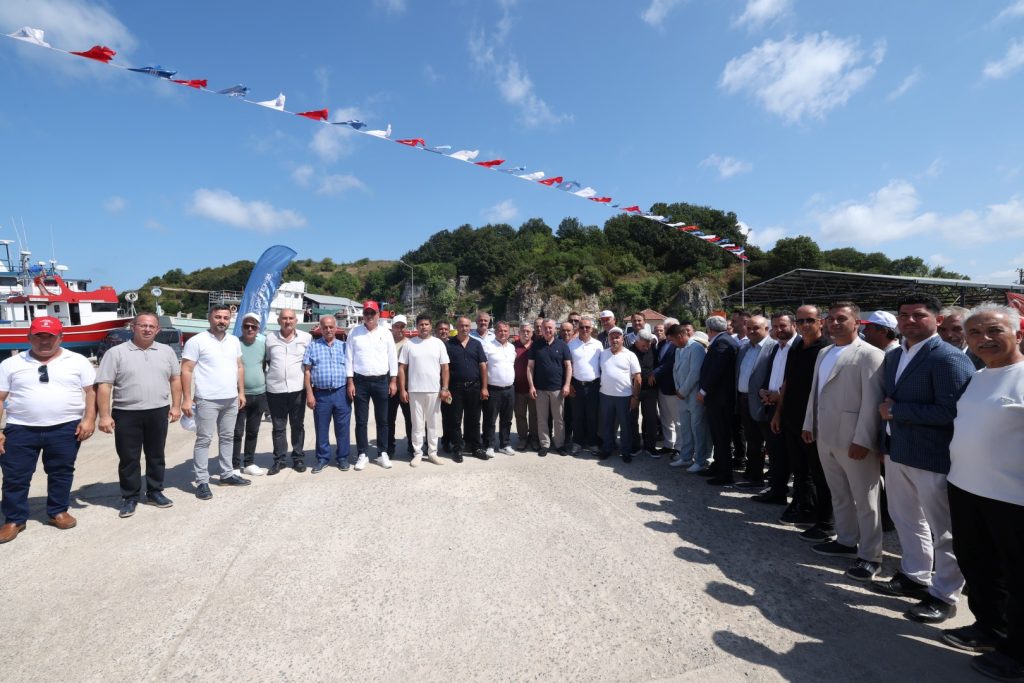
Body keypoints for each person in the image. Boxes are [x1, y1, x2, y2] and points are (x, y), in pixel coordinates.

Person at [872, 293, 974, 624]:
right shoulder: (895, 356)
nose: (910, 321)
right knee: (905, 517)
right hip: (899, 450)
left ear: (937, 320)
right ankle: (915, 575)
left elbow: (953, 411)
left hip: (933, 456)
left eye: (918, 315)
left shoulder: (947, 357)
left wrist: (897, 411)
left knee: (944, 530)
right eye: (904, 315)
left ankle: (944, 594)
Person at [942, 303, 1024, 681]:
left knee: (1017, 576)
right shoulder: (978, 375)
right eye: (975, 333)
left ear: (1018, 333)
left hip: (1013, 499)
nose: (983, 339)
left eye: (993, 331)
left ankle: (1017, 654)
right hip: (967, 488)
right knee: (978, 565)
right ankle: (988, 628)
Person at [802, 302, 885, 581]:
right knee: (839, 493)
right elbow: (815, 392)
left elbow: (872, 400)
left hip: (854, 440)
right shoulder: (825, 352)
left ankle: (871, 555)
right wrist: (808, 424)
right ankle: (846, 540)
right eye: (831, 318)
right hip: (825, 435)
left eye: (842, 319)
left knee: (866, 499)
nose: (835, 323)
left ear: (856, 323)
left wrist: (863, 439)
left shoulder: (870, 355)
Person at [0, 317, 96, 542]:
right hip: (21, 429)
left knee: (61, 472)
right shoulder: (10, 364)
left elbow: (91, 392)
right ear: (29, 337)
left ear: (60, 337)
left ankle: (57, 511)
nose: (44, 341)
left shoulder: (78, 361)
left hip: (65, 428)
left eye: (50, 336)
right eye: (39, 336)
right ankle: (14, 519)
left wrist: (89, 419)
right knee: (15, 476)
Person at [96, 312, 181, 518]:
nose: (147, 329)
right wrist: (105, 416)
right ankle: (130, 496)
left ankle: (154, 492)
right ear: (133, 327)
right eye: (142, 325)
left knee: (156, 455)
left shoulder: (167, 352)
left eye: (152, 326)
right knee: (128, 457)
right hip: (127, 412)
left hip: (158, 410)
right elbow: (105, 385)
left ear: (157, 330)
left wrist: (176, 406)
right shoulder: (116, 353)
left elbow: (175, 379)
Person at [771, 305, 834, 541]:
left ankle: (824, 518)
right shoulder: (797, 346)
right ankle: (803, 505)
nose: (805, 325)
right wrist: (778, 413)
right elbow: (787, 383)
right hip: (791, 417)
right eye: (800, 321)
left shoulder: (826, 349)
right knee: (799, 468)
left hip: (812, 421)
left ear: (821, 321)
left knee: (818, 472)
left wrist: (813, 422)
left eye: (810, 320)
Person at [181, 305, 250, 500]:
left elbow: (239, 367)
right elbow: (186, 370)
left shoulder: (234, 341)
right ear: (210, 318)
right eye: (218, 317)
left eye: (226, 318)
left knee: (228, 437)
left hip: (231, 398)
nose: (222, 321)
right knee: (204, 440)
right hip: (207, 399)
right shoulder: (196, 341)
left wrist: (241, 392)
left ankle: (227, 474)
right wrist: (187, 399)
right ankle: (202, 481)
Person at [346, 300, 398, 471]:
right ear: (363, 315)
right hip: (360, 382)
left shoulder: (386, 333)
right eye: (366, 313)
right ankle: (363, 453)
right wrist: (350, 382)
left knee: (383, 420)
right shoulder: (354, 332)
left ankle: (382, 452)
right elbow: (349, 358)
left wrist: (393, 380)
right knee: (361, 421)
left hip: (382, 381)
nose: (369, 316)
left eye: (372, 313)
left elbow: (392, 358)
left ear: (378, 315)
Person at [757, 311, 800, 517]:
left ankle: (796, 500)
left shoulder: (799, 347)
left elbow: (797, 380)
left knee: (792, 455)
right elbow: (771, 375)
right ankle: (777, 491)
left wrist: (779, 395)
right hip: (771, 405)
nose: (778, 330)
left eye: (783, 326)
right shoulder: (777, 348)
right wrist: (764, 391)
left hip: (789, 408)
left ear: (794, 325)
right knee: (775, 452)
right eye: (775, 326)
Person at [264, 308, 312, 475]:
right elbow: (267, 360)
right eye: (284, 318)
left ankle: (298, 458)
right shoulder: (269, 339)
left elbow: (309, 364)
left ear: (296, 321)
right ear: (279, 321)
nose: (288, 321)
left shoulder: (306, 338)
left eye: (291, 318)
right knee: (278, 427)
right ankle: (279, 460)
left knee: (297, 425)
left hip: (298, 388)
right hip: (275, 389)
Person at [398, 314, 450, 466]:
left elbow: (445, 367)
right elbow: (402, 368)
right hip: (414, 390)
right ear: (417, 326)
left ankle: (432, 452)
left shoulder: (438, 343)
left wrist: (445, 388)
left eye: (426, 324)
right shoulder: (409, 344)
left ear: (430, 326)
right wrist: (403, 389)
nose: (424, 327)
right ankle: (418, 453)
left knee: (433, 423)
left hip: (434, 390)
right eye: (421, 324)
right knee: (417, 424)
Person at [733, 315, 777, 492]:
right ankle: (754, 475)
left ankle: (772, 480)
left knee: (769, 443)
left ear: (766, 329)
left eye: (756, 328)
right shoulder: (744, 348)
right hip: (744, 400)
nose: (751, 331)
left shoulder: (773, 348)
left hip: (763, 403)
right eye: (749, 327)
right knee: (752, 441)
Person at [304, 315, 352, 472]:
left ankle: (343, 457)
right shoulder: (312, 346)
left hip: (341, 393)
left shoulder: (345, 347)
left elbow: (351, 369)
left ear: (336, 328)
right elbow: (307, 372)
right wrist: (309, 394)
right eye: (325, 327)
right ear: (320, 328)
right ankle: (323, 458)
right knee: (321, 428)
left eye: (331, 327)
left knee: (342, 428)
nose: (328, 330)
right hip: (321, 395)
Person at [698, 315, 740, 485]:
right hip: (720, 398)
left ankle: (725, 474)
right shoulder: (726, 340)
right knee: (718, 436)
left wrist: (703, 390)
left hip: (720, 399)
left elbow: (716, 371)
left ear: (710, 329)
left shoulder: (722, 342)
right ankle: (718, 466)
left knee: (721, 436)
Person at [445, 316, 488, 462]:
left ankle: (475, 447)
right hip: (455, 388)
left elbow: (483, 366)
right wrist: (444, 388)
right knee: (455, 420)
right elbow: (444, 368)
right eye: (462, 325)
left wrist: (484, 387)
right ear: (457, 327)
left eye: (467, 326)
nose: (464, 328)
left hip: (474, 387)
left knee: (474, 420)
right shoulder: (449, 345)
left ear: (471, 327)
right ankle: (457, 448)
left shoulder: (476, 344)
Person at [528, 318, 572, 456]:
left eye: (550, 328)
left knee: (559, 419)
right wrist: (531, 386)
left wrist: (567, 385)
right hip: (540, 389)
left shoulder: (562, 345)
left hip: (558, 389)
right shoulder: (536, 345)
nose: (548, 330)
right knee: (542, 418)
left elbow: (568, 366)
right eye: (545, 328)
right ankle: (545, 444)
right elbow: (530, 367)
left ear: (555, 329)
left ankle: (559, 444)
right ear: (541, 329)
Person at [670, 323, 710, 472]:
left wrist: (683, 390)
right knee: (686, 427)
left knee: (697, 428)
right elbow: (675, 369)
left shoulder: (696, 348)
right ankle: (686, 457)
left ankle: (700, 460)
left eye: (673, 340)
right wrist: (677, 388)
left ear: (680, 336)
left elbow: (695, 373)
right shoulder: (679, 349)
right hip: (681, 395)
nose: (672, 343)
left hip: (693, 395)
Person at [232, 312, 268, 477]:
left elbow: (264, 365)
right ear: (242, 327)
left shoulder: (262, 345)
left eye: (253, 327)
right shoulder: (234, 344)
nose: (250, 329)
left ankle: (249, 463)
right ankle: (233, 465)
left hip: (259, 394)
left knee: (253, 431)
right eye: (247, 326)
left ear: (258, 329)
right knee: (237, 432)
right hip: (240, 395)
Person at [597, 327, 641, 461]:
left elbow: (637, 378)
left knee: (625, 425)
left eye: (617, 337)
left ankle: (626, 451)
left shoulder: (630, 355)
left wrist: (635, 397)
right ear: (608, 339)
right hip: (605, 395)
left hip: (624, 396)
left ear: (622, 339)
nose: (614, 339)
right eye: (612, 337)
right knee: (606, 424)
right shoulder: (603, 354)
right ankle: (607, 448)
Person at [482, 321, 517, 457]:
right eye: (500, 330)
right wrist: (484, 387)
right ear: (495, 332)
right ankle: (489, 445)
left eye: (505, 331)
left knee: (507, 419)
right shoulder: (487, 346)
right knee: (490, 419)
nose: (503, 333)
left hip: (509, 389)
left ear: (509, 332)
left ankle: (505, 444)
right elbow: (483, 367)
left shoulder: (512, 348)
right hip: (493, 389)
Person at [568, 315, 602, 454]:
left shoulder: (598, 345)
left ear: (592, 328)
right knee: (577, 415)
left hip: (594, 385)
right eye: (582, 327)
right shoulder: (571, 344)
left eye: (587, 327)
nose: (584, 329)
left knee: (592, 416)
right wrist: (569, 384)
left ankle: (592, 443)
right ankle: (577, 442)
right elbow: (568, 366)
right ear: (578, 328)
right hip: (576, 385)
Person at [628, 329, 660, 458]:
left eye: (649, 344)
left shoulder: (653, 348)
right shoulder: (629, 351)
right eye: (644, 345)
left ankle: (650, 446)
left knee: (651, 418)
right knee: (632, 418)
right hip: (633, 389)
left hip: (650, 389)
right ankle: (635, 445)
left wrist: (655, 373)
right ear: (637, 341)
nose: (647, 347)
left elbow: (659, 364)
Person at [387, 315, 412, 459]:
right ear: (392, 327)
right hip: (389, 387)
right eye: (397, 326)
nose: (400, 329)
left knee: (410, 419)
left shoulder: (409, 343)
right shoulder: (386, 342)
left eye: (403, 326)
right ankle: (390, 447)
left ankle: (411, 446)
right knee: (389, 419)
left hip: (406, 386)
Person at [513, 321, 538, 451]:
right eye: (523, 330)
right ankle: (523, 438)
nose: (526, 333)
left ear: (532, 333)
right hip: (517, 388)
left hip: (533, 388)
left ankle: (534, 438)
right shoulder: (513, 346)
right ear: (519, 332)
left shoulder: (536, 346)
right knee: (520, 415)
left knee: (534, 415)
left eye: (528, 331)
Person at [939, 305, 986, 370]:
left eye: (956, 329)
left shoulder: (985, 358)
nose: (948, 335)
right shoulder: (931, 357)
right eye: (942, 329)